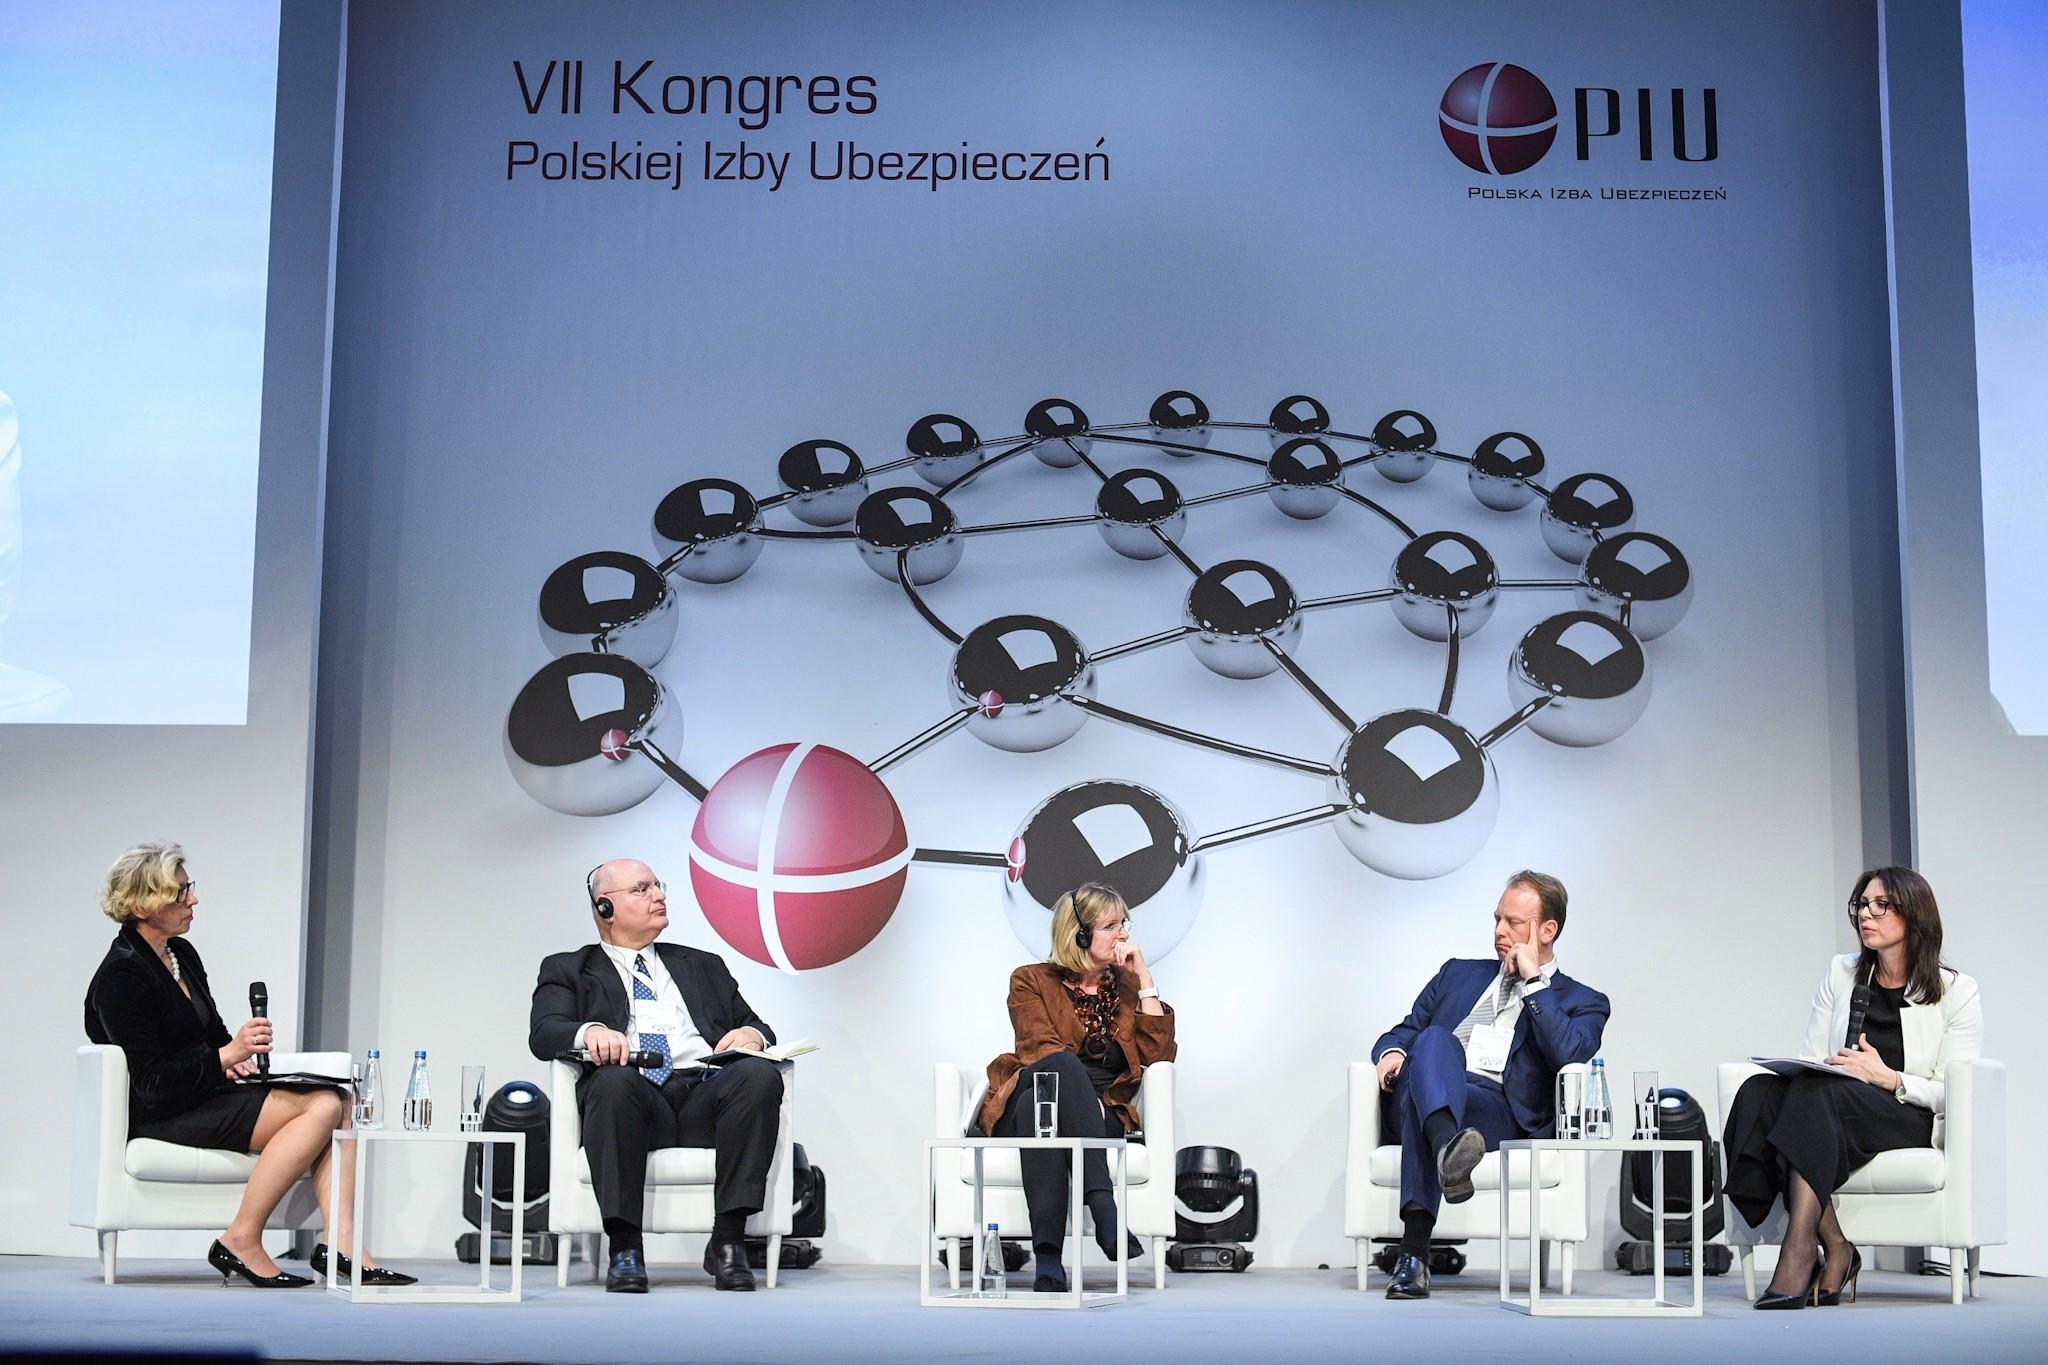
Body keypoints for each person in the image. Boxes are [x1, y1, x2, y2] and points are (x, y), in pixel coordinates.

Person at [82, 842, 412, 1287]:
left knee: (342, 1099)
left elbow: (211, 1035)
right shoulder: (121, 977)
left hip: (206, 1093)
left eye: (189, 888)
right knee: (322, 1107)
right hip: (166, 1112)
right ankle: (242, 1238)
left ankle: (343, 1243)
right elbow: (151, 1083)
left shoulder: (182, 955)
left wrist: (234, 1052)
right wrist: (224, 1056)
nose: (193, 900)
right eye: (179, 893)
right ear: (141, 905)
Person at [1722, 866, 1982, 1309]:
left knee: (1814, 1097)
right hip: (1833, 1103)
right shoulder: (1841, 972)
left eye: (1881, 906)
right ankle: (1838, 1245)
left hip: (1905, 1114)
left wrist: (1888, 1077)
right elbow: (1812, 1056)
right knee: (1759, 1092)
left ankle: (1800, 1250)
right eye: (1862, 904)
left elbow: (1954, 1092)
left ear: (1914, 916)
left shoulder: (1956, 991)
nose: (1866, 914)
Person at [528, 859, 782, 1293]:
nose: (659, 896)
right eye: (642, 889)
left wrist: (751, 1035)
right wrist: (590, 1032)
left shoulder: (703, 965)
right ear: (605, 907)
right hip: (634, 1100)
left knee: (758, 1076)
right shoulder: (568, 968)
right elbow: (544, 1033)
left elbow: (759, 1026)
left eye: (658, 886)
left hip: (705, 1095)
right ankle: (625, 1247)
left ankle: (728, 1241)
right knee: (612, 1081)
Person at [1369, 870, 1610, 1300]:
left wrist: (1534, 982)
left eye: (1513, 922)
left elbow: (1569, 1053)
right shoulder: (1457, 974)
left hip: (1494, 1110)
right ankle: (1447, 1149)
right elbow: (1405, 1031)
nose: (1499, 930)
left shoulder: (1583, 1001)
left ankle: (1414, 1256)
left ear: (1547, 930)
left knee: (1430, 1105)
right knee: (1434, 1040)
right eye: (1497, 918)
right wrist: (1389, 1052)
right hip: (1427, 1082)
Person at [975, 882, 1175, 1293]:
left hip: (1099, 1111)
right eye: (1111, 926)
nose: (1124, 934)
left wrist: (1145, 979)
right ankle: (1103, 1206)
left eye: (1124, 923)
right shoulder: (1030, 980)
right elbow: (1039, 1050)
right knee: (1055, 1076)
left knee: (1037, 1113)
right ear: (1079, 934)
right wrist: (1085, 1100)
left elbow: (1158, 1057)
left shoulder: (1127, 987)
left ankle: (1048, 1261)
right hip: (1039, 1080)